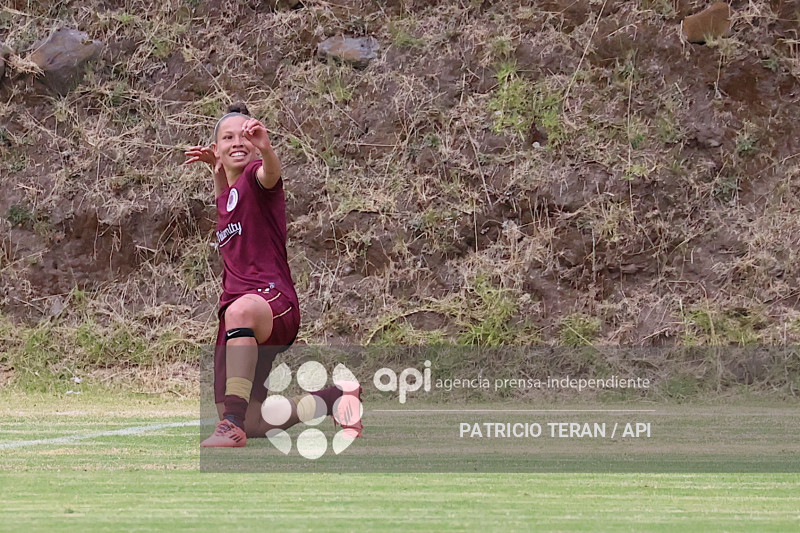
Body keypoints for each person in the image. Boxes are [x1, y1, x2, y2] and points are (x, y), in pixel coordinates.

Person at [184, 104, 361, 447]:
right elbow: (227, 199)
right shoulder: (228, 196)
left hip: (270, 302)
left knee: (239, 314)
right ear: (217, 149)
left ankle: (230, 427)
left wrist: (265, 148)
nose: (238, 142)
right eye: (228, 137)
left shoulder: (257, 177)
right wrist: (216, 171)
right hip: (239, 320)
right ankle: (337, 397)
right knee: (255, 421)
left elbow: (269, 174)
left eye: (245, 136)